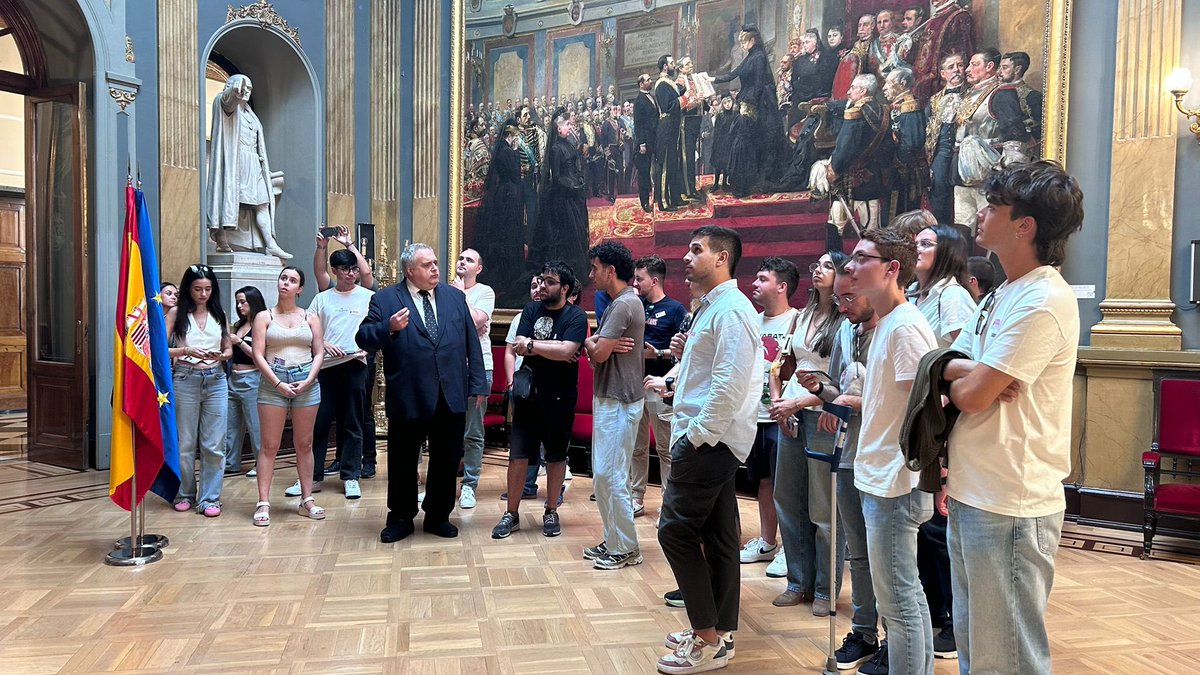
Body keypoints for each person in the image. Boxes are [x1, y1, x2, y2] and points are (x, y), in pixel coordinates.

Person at [942, 160, 1084, 673]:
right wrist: (969, 370)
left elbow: (975, 396)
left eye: (993, 207)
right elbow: (943, 363)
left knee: (1010, 656)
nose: (980, 214)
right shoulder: (1004, 290)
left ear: (1024, 225)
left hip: (1012, 500)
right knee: (978, 646)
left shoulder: (1044, 298)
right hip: (975, 487)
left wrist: (968, 377)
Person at [656, 226, 759, 675]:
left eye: (696, 250)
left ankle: (706, 636)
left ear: (722, 258)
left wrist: (694, 437)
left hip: (709, 441)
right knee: (718, 537)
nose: (685, 256)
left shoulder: (732, 310)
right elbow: (705, 374)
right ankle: (721, 630)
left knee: (674, 532)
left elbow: (730, 385)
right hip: (709, 437)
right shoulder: (714, 307)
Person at [844, 228, 938, 675]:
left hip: (896, 481)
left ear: (892, 269)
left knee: (897, 599)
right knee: (903, 595)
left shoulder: (903, 327)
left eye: (863, 258)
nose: (851, 266)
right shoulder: (887, 322)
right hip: (883, 475)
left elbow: (929, 406)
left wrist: (931, 474)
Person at [356, 244, 487, 541]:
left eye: (436, 263)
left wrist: (478, 383)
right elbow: (363, 337)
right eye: (427, 265)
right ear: (409, 270)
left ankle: (438, 516)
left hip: (450, 392)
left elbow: (471, 342)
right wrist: (388, 327)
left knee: (446, 458)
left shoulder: (455, 297)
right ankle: (401, 517)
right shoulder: (386, 299)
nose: (436, 269)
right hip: (409, 394)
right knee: (403, 460)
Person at [797, 260, 882, 670]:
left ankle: (895, 637)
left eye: (850, 297)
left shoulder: (895, 331)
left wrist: (846, 402)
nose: (843, 305)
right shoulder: (847, 331)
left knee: (887, 556)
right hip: (849, 452)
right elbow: (838, 387)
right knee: (859, 554)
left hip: (884, 457)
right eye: (840, 298)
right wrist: (821, 390)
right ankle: (864, 631)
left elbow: (901, 401)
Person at [910, 223, 976, 660]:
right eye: (916, 242)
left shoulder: (953, 297)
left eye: (927, 243)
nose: (918, 247)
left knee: (937, 529)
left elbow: (955, 359)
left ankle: (950, 621)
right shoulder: (917, 295)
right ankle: (933, 613)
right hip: (922, 418)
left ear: (949, 252)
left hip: (943, 420)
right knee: (923, 532)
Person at [767, 253, 846, 616]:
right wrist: (779, 402)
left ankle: (826, 588)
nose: (818, 270)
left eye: (828, 266)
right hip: (792, 414)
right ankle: (798, 581)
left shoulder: (844, 319)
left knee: (823, 508)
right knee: (788, 498)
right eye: (816, 265)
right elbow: (782, 365)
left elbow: (844, 383)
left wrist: (797, 404)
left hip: (823, 416)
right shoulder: (801, 316)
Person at [492, 261, 588, 540]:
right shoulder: (531, 310)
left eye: (550, 282)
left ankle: (550, 510)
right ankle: (511, 513)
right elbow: (521, 342)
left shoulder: (576, 316)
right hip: (528, 394)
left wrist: (535, 346)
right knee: (518, 455)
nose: (543, 286)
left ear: (565, 288)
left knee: (557, 456)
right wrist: (553, 348)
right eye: (542, 280)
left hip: (560, 396)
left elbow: (567, 350)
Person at [583, 242, 646, 569]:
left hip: (620, 400)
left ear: (610, 270)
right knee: (603, 476)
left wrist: (592, 343)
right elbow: (595, 350)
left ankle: (626, 548)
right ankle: (614, 539)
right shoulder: (618, 302)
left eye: (595, 268)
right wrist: (593, 343)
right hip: (611, 396)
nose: (592, 274)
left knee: (611, 476)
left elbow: (598, 354)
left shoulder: (624, 305)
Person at [741, 258, 802, 581]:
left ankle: (791, 552)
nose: (755, 283)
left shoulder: (798, 321)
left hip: (783, 416)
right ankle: (767, 541)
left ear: (782, 287)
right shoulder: (751, 321)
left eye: (763, 279)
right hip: (755, 416)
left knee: (786, 487)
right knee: (763, 482)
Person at [251, 266, 326, 526]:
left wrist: (309, 379)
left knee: (304, 443)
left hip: (306, 379)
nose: (286, 283)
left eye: (292, 280)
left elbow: (319, 352)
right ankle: (263, 502)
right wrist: (277, 382)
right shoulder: (264, 316)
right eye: (283, 278)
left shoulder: (311, 317)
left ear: (300, 289)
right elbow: (257, 353)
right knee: (270, 445)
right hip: (274, 380)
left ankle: (307, 499)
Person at [299, 249, 375, 502]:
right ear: (335, 271)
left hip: (355, 365)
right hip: (326, 368)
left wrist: (369, 347)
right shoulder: (322, 299)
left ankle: (351, 476)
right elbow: (307, 328)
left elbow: (377, 328)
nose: (351, 274)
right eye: (345, 270)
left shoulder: (367, 296)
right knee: (319, 422)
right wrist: (324, 343)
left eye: (353, 269)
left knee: (354, 422)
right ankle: (313, 477)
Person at [166, 264, 232, 517]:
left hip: (215, 378)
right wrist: (186, 351)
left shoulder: (219, 313)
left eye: (207, 289)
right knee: (186, 442)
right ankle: (184, 492)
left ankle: (210, 498)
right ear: (188, 289)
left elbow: (228, 349)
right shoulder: (176, 313)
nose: (203, 294)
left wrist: (222, 355)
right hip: (186, 376)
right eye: (197, 289)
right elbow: (159, 348)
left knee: (214, 443)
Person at [204, 74, 291, 259]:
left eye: (249, 89)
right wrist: (236, 88)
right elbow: (229, 99)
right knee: (231, 201)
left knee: (263, 203)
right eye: (244, 88)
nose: (246, 92)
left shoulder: (251, 115)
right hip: (236, 163)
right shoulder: (223, 103)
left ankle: (270, 244)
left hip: (254, 164)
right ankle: (222, 237)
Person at [631, 256, 688, 515]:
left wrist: (659, 353)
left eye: (639, 279)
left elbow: (685, 353)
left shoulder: (676, 310)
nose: (635, 283)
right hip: (634, 384)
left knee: (665, 448)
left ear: (654, 280)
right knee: (636, 446)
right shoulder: (635, 305)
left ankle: (669, 502)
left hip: (662, 386)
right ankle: (636, 497)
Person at [954, 49, 1029, 235]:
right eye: (969, 64)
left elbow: (1014, 133)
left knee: (991, 224)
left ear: (989, 67)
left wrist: (1008, 172)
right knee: (962, 221)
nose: (968, 70)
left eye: (974, 64)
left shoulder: (1002, 93)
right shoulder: (968, 94)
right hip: (963, 170)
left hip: (990, 170)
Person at [823, 74, 892, 243]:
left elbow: (844, 149)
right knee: (872, 231)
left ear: (863, 91)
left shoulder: (855, 112)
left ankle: (834, 264)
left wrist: (834, 169)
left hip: (851, 181)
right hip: (874, 179)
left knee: (835, 226)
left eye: (853, 87)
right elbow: (888, 147)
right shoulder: (884, 110)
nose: (848, 91)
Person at [713, 25, 783, 187]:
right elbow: (733, 74)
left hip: (758, 104)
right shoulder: (750, 56)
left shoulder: (758, 57)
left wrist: (749, 105)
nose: (742, 46)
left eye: (744, 42)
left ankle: (750, 180)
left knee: (747, 140)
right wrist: (713, 80)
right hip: (748, 101)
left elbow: (759, 84)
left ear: (752, 40)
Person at [456, 248, 496, 510]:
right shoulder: (442, 291)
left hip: (479, 368)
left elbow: (477, 320)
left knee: (472, 431)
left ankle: (469, 485)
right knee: (446, 430)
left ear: (478, 269)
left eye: (469, 260)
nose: (462, 262)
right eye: (460, 258)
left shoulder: (485, 292)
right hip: (450, 368)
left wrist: (460, 297)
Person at [474, 124, 528, 306]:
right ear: (511, 136)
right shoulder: (509, 151)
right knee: (510, 232)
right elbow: (514, 173)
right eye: (516, 136)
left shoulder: (501, 150)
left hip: (504, 193)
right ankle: (510, 272)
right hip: (510, 195)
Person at [532, 112, 590, 282]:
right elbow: (557, 177)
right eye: (566, 125)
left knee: (578, 231)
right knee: (567, 235)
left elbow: (573, 166)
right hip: (564, 198)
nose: (570, 127)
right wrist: (572, 186)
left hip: (574, 194)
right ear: (558, 129)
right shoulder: (556, 149)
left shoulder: (568, 144)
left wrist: (578, 182)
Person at [225, 285, 267, 477]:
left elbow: (260, 356)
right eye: (238, 302)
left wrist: (240, 342)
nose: (240, 306)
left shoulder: (262, 324)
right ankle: (231, 462)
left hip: (253, 379)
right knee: (231, 425)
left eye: (243, 302)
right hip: (233, 378)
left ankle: (261, 464)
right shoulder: (239, 325)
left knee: (256, 425)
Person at [925, 53, 966, 226]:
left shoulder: (972, 94)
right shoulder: (934, 100)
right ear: (943, 74)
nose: (957, 70)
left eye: (960, 65)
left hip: (963, 151)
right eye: (951, 67)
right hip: (941, 151)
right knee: (939, 193)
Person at [911, 0, 975, 102]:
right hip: (925, 81)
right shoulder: (935, 18)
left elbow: (963, 51)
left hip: (942, 81)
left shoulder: (959, 16)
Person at [885, 67, 928, 216]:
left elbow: (912, 142)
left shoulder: (910, 106)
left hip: (906, 170)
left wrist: (897, 161)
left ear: (902, 83)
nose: (884, 87)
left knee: (904, 213)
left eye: (889, 83)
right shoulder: (899, 105)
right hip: (898, 169)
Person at [654, 55, 686, 212]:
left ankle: (675, 198)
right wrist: (684, 99)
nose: (674, 65)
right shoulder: (661, 84)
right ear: (665, 67)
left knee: (673, 164)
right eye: (672, 63)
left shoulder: (670, 83)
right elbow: (667, 106)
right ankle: (664, 202)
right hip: (666, 129)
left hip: (673, 128)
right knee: (666, 165)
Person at [999, 51, 1044, 155]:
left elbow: (1038, 127)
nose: (999, 72)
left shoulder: (1032, 96)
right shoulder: (996, 92)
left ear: (1017, 69)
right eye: (1000, 67)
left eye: (1004, 68)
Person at [677, 57, 705, 198]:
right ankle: (688, 189)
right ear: (680, 68)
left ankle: (692, 186)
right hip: (686, 124)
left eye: (691, 62)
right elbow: (680, 106)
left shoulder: (693, 81)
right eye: (687, 64)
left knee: (692, 156)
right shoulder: (679, 84)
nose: (691, 65)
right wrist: (696, 101)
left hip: (695, 122)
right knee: (687, 156)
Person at [632, 74, 659, 213]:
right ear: (641, 84)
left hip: (654, 139)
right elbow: (638, 125)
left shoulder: (651, 96)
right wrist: (641, 143)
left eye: (650, 79)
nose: (650, 81)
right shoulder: (639, 101)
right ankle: (644, 202)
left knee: (655, 169)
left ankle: (656, 196)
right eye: (648, 80)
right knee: (644, 173)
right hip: (645, 142)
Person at [709, 95, 735, 193]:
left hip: (730, 143)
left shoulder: (735, 115)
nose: (728, 104)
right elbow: (716, 130)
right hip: (720, 143)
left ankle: (724, 183)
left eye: (729, 102)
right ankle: (716, 183)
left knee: (726, 164)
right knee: (718, 164)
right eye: (725, 103)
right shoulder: (720, 115)